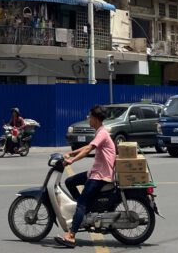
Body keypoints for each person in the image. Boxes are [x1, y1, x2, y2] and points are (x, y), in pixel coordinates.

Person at [55, 105, 116, 249]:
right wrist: (72, 153)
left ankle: (71, 236)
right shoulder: (100, 132)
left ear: (95, 119)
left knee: (81, 203)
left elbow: (88, 149)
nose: (88, 119)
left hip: (101, 175)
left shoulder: (102, 133)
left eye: (90, 117)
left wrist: (72, 160)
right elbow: (89, 146)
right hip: (95, 172)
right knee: (70, 181)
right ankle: (83, 213)